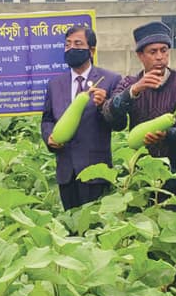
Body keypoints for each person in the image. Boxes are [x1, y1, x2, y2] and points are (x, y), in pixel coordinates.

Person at [102, 21, 176, 196]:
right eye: (153, 52)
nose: (160, 57)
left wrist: (167, 134)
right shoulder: (129, 83)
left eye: (164, 50)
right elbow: (110, 115)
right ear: (140, 55)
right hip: (141, 174)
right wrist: (133, 92)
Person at [40, 25, 121, 209]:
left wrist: (104, 105)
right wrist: (49, 137)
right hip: (66, 171)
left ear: (91, 50)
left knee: (95, 229)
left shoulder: (111, 80)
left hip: (95, 170)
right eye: (67, 44)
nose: (71, 49)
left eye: (78, 44)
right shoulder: (55, 84)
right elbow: (47, 119)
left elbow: (119, 123)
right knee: (70, 229)